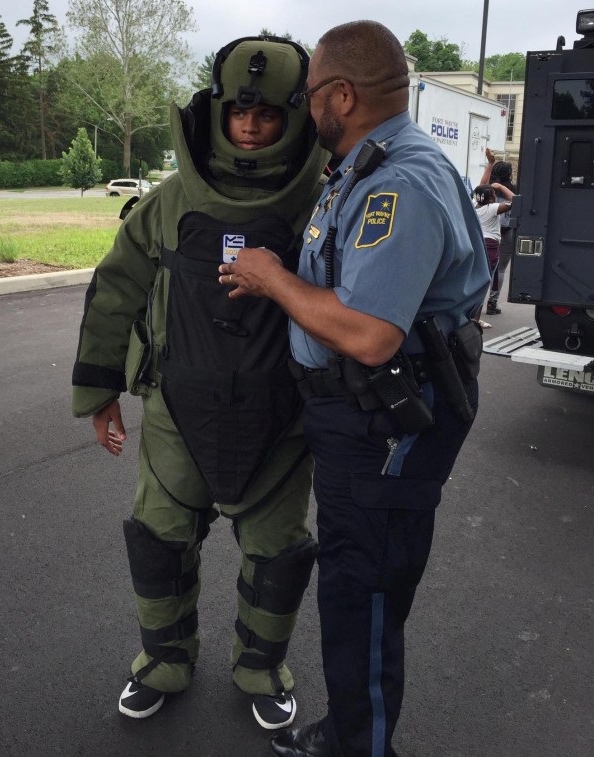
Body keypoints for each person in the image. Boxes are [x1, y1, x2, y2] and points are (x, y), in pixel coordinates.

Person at [218, 21, 490, 757]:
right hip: (362, 418)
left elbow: (371, 333)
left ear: (343, 94)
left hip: (384, 427)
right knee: (354, 585)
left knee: (361, 596)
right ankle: (349, 730)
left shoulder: (397, 181)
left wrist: (273, 279)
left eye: (310, 97)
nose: (305, 111)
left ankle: (359, 745)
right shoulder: (373, 164)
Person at [71, 36, 329, 731]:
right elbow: (117, 288)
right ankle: (163, 660)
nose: (250, 125)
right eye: (240, 111)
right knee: (158, 542)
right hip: (175, 414)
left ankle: (262, 667)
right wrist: (98, 393)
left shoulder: (326, 198)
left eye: (269, 114)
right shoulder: (170, 201)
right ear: (218, 110)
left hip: (282, 419)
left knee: (277, 557)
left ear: (295, 117)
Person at [472, 180, 514, 328]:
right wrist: (501, 186)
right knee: (482, 285)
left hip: (475, 245)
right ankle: (475, 322)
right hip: (489, 247)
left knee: (471, 283)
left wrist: (490, 165)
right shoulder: (492, 208)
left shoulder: (473, 206)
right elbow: (515, 200)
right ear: (490, 199)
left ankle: (467, 318)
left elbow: (481, 186)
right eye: (494, 195)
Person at [482, 148, 518, 315]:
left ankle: (475, 303)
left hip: (485, 234)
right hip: (506, 232)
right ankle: (493, 302)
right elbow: (517, 203)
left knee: (482, 268)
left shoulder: (489, 191)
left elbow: (481, 187)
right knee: (501, 269)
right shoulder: (513, 190)